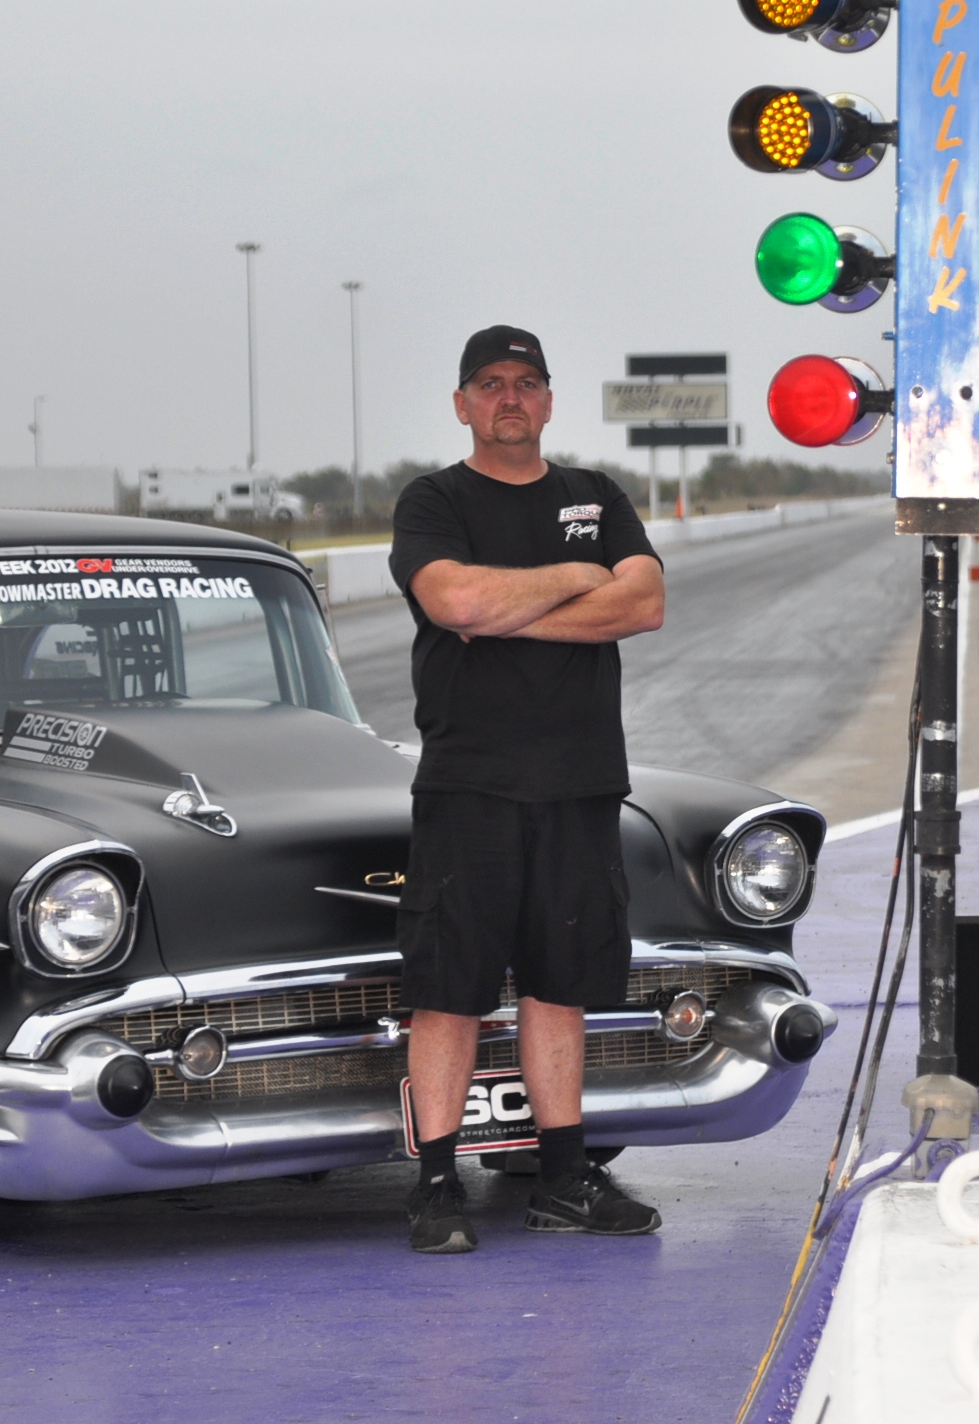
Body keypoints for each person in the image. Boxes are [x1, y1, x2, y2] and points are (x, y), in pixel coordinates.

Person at [387, 325, 667, 1254]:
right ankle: (436, 1186)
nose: (511, 398)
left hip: (580, 784)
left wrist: (511, 611)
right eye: (491, 384)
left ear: (549, 401)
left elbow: (645, 603)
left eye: (528, 383)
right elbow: (453, 603)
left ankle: (564, 1178)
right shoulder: (435, 500)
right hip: (469, 783)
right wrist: (572, 584)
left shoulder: (596, 496)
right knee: (450, 990)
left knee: (562, 985)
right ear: (463, 403)